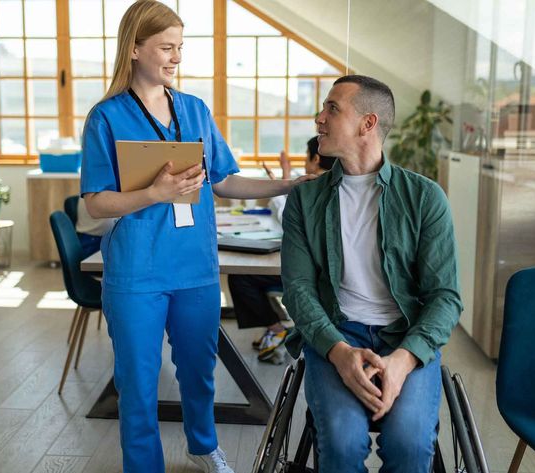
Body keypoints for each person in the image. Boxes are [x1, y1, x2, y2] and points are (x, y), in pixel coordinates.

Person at [79, 2, 313, 472]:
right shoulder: (106, 118)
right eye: (166, 47)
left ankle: (203, 448)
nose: (176, 57)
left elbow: (224, 181)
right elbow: (96, 202)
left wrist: (288, 185)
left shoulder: (194, 109)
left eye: (180, 47)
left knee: (199, 373)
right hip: (136, 271)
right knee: (140, 383)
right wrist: (154, 193)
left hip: (195, 268)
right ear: (135, 48)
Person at [281, 75, 462, 472]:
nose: (319, 118)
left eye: (332, 108)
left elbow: (445, 297)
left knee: (410, 446)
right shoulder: (305, 200)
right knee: (344, 446)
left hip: (406, 337)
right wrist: (338, 352)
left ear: (368, 124)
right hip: (336, 335)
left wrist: (403, 360)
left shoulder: (424, 197)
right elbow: (296, 289)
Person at [228, 136, 336, 364]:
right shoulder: (335, 184)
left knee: (241, 277)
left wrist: (280, 179)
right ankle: (275, 325)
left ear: (315, 159)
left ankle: (276, 327)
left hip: (306, 275)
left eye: (306, 158)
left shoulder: (314, 187)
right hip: (317, 271)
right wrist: (283, 177)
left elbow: (287, 215)